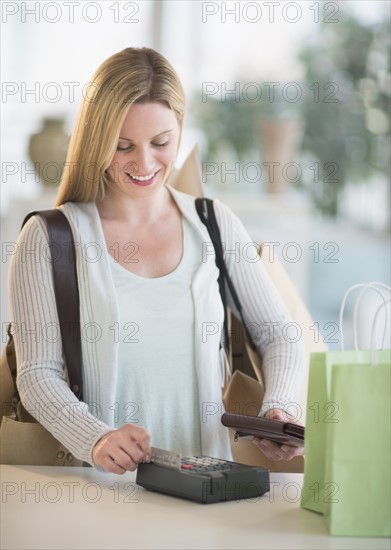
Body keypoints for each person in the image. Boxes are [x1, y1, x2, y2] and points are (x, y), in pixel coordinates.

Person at [9, 47, 306, 474]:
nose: (145, 163)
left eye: (161, 143)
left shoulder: (214, 223)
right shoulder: (48, 239)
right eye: (123, 145)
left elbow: (280, 334)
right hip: (100, 493)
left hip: (208, 487)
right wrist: (95, 438)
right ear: (96, 139)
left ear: (179, 129)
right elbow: (37, 373)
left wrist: (278, 410)